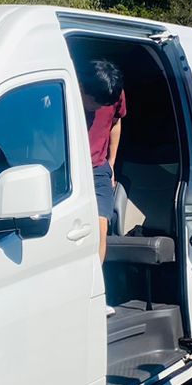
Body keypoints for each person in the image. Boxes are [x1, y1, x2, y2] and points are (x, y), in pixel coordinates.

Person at [79, 59, 126, 268]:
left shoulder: (112, 94)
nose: (100, 108)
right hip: (65, 170)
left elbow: (115, 123)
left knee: (99, 230)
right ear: (81, 88)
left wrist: (111, 163)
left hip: (98, 168)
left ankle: (94, 283)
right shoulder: (62, 94)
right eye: (96, 103)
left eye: (105, 105)